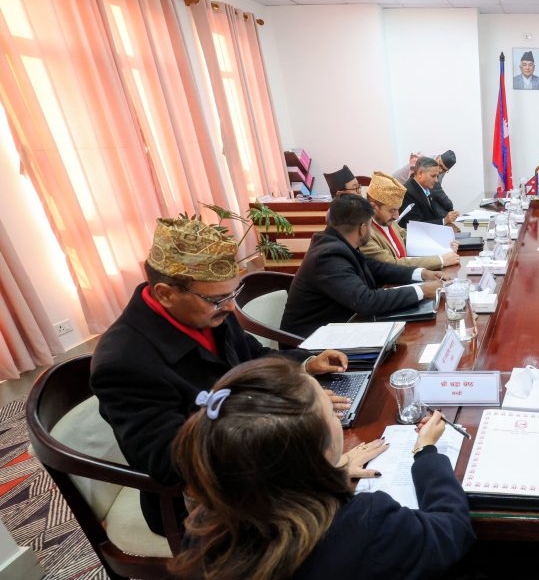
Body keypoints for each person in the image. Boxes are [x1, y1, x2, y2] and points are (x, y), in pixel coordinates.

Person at [90, 218, 351, 535]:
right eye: (218, 299)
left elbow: (252, 357)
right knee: (337, 515)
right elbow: (169, 460)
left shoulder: (208, 312)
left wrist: (307, 364)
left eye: (233, 293)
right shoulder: (124, 361)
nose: (230, 306)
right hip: (201, 498)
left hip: (254, 459)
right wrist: (290, 416)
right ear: (166, 294)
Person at [170, 356, 475, 580]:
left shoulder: (204, 526)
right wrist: (426, 452)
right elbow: (451, 531)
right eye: (331, 411)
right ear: (316, 448)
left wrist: (328, 472)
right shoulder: (364, 522)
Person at [282, 194, 447, 338]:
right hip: (313, 342)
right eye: (370, 225)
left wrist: (422, 273)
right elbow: (366, 301)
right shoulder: (328, 256)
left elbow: (377, 268)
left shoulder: (338, 244)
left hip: (343, 327)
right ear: (362, 228)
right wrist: (421, 291)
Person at [360, 171, 460, 270]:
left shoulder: (388, 221)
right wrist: (441, 260)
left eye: (398, 210)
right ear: (373, 207)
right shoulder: (364, 234)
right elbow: (393, 264)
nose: (396, 216)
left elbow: (412, 240)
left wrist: (445, 247)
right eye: (392, 210)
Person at [398, 156, 461, 230]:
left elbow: (431, 214)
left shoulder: (425, 187)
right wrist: (444, 220)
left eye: (437, 176)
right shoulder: (408, 193)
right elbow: (416, 226)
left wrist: (448, 217)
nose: (436, 180)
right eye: (433, 176)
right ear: (420, 173)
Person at [393, 150, 458, 212]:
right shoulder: (422, 162)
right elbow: (412, 186)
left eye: (444, 169)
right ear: (438, 157)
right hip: (396, 185)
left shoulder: (441, 168)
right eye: (440, 165)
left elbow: (435, 190)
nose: (440, 170)